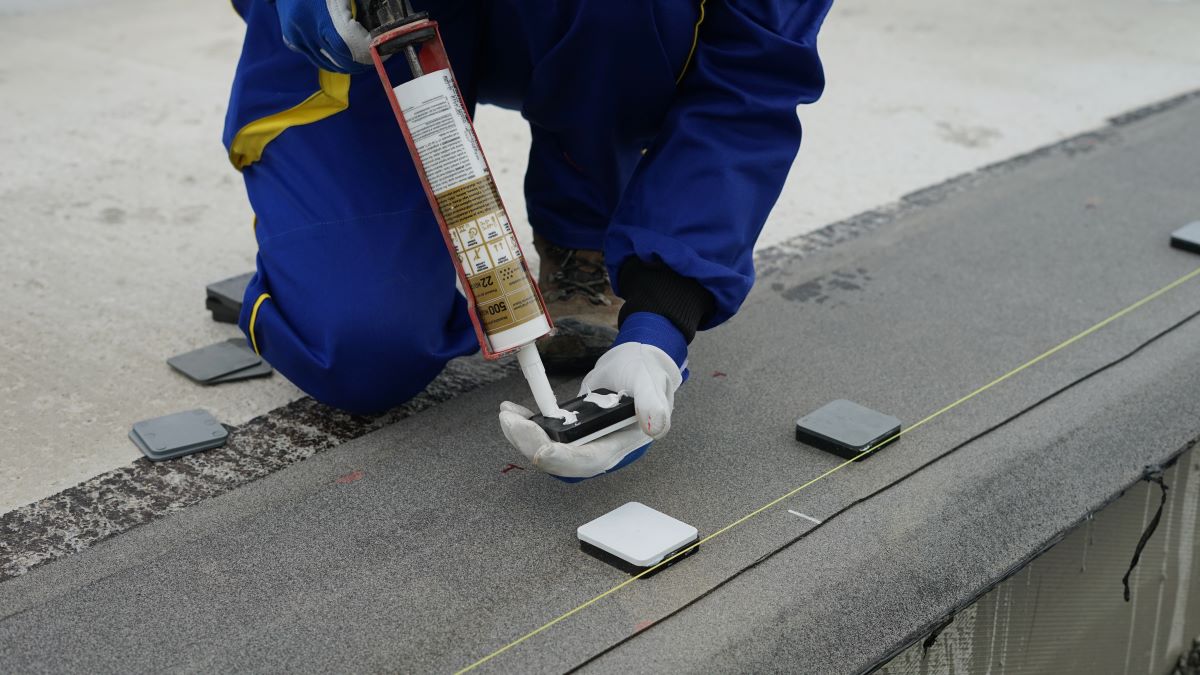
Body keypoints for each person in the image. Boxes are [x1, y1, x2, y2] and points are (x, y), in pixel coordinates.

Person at [223, 0, 831, 481]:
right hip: (359, 23)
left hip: (577, 19)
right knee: (363, 349)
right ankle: (303, 266)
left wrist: (661, 323)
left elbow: (753, 79)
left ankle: (581, 231)